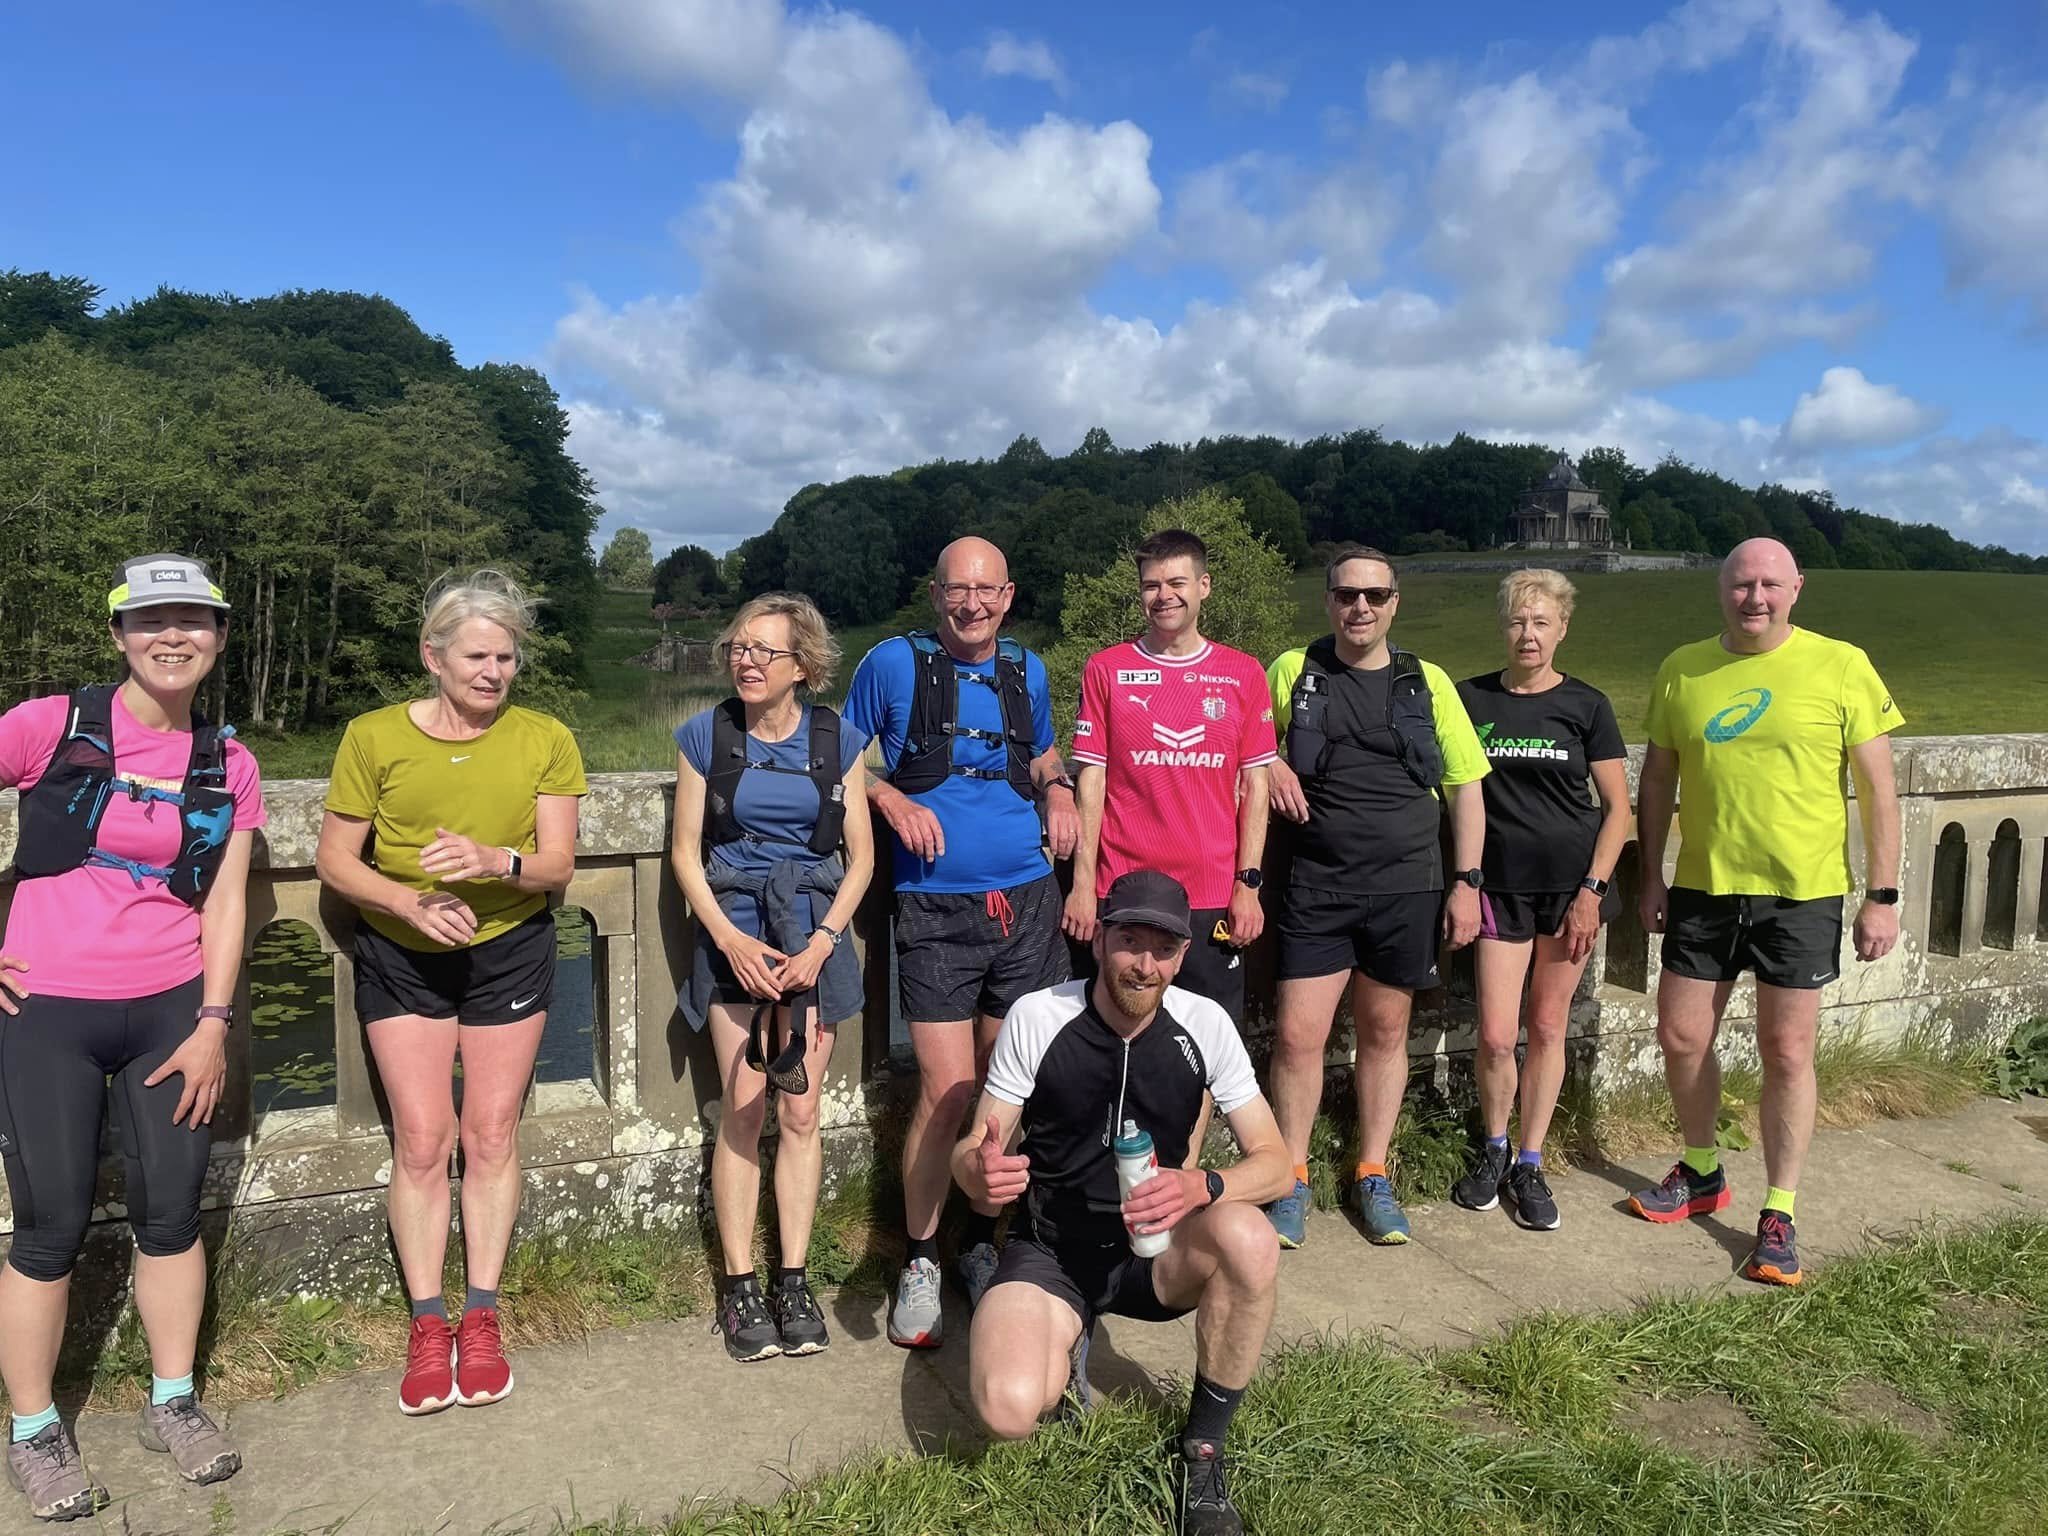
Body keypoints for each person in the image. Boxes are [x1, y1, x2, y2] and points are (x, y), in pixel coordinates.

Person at [0, 554, 263, 1519]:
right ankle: (33, 1429)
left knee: (170, 1214)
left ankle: (174, 1403)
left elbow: (229, 898)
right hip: (46, 1012)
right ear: (117, 634)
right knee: (49, 1226)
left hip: (169, 1010)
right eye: (151, 618)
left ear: (220, 636)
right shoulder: (48, 725)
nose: (173, 634)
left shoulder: (227, 761)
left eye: (194, 618)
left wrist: (212, 1024)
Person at [314, 570, 586, 1414]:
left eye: (506, 657)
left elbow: (557, 866)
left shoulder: (546, 737)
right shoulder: (372, 736)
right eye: (476, 655)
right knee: (425, 1140)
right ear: (433, 655)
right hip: (403, 952)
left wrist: (493, 861)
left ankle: (483, 1315)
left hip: (509, 948)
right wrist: (406, 901)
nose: (493, 671)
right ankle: (428, 1323)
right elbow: (335, 858)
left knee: (493, 1131)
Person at [955, 870, 1289, 1536]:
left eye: (1161, 949)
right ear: (1101, 938)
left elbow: (1277, 1164)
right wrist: (978, 1175)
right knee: (1008, 1408)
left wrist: (1203, 1186)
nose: (1143, 964)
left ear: (1182, 954)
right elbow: (971, 1151)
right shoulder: (1039, 1016)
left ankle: (1203, 1453)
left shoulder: (1207, 1026)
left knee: (1250, 1239)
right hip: (1053, 1250)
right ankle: (1065, 1339)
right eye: (1129, 941)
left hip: (1158, 1252)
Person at [1631, 537, 1902, 1286]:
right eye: (1742, 584)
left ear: (1797, 590)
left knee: (1787, 1053)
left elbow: (1879, 789)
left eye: (1770, 585)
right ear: (1721, 589)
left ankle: (1779, 1210)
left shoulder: (1841, 664)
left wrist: (1881, 896)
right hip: (1702, 886)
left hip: (1801, 892)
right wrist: (1649, 875)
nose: (1755, 597)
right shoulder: (1683, 668)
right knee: (1681, 1036)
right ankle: (1702, 1169)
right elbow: (1656, 782)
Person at [842, 537, 1079, 1350]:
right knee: (948, 1094)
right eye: (956, 590)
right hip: (932, 906)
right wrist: (888, 798)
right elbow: (834, 759)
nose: (971, 604)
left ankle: (983, 1242)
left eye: (986, 591)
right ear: (935, 593)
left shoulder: (1028, 669)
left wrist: (1060, 791)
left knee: (1007, 1091)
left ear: (1007, 595)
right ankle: (920, 1257)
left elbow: (1042, 753)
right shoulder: (891, 663)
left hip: (1026, 901)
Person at [1261, 546, 1490, 1249]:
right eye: (1346, 595)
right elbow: (1247, 749)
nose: (1360, 607)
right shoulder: (1294, 672)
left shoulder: (1428, 681)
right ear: (1327, 600)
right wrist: (1270, 762)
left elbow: (1466, 789)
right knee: (1299, 1038)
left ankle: (1372, 1171)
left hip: (1407, 886)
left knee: (1385, 1035)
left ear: (1395, 602)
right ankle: (1290, 1176)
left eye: (1376, 596)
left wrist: (1467, 883)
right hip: (1314, 884)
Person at [670, 593, 873, 1362]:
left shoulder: (839, 740)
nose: (746, 661)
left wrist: (824, 941)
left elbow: (862, 858)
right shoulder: (705, 736)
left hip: (811, 935)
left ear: (804, 666)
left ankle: (794, 1277)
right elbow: (686, 852)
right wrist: (727, 938)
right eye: (738, 648)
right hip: (736, 932)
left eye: (764, 651)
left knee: (801, 1111)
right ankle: (740, 1285)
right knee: (745, 1108)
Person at [1450, 570, 1629, 1231]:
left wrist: (1592, 891)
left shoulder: (1587, 705)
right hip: (1497, 887)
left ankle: (1530, 1161)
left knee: (1548, 1028)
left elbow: (1618, 811)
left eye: (1542, 622)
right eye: (1518, 621)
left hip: (1570, 893)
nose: (1528, 633)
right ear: (1504, 627)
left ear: (1562, 629)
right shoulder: (1470, 699)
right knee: (1498, 1035)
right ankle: (1493, 1150)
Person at [1064, 527, 1275, 1031]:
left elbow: (1255, 788)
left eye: (1177, 582)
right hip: (1124, 886)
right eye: (1151, 585)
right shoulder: (1106, 669)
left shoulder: (1243, 673)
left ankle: (1193, 1118)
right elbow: (1090, 782)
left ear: (1204, 586)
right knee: (1115, 1029)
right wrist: (1083, 883)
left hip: (1210, 892)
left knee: (1205, 1039)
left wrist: (1248, 884)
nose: (1164, 596)